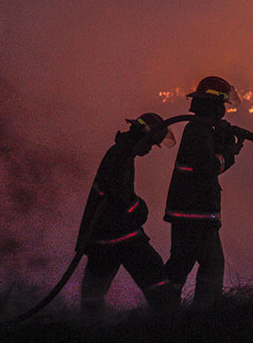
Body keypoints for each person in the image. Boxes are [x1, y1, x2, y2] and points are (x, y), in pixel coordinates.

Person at [76, 112, 178, 314]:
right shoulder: (122, 155)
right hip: (121, 236)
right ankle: (169, 320)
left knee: (93, 292)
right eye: (151, 144)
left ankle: (90, 325)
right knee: (154, 275)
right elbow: (121, 195)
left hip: (103, 237)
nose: (149, 149)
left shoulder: (122, 152)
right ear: (144, 137)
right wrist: (140, 208)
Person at [164, 76, 243, 306]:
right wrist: (229, 153)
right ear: (213, 105)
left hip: (188, 212)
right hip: (197, 213)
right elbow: (209, 166)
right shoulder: (198, 131)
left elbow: (204, 159)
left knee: (180, 264)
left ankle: (164, 309)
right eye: (221, 104)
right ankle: (204, 313)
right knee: (212, 264)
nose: (223, 111)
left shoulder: (200, 129)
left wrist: (222, 140)